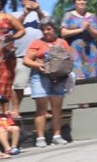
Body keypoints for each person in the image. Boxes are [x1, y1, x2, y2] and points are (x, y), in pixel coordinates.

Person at [23, 17, 71, 147]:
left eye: (48, 29)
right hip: (40, 76)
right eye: (43, 30)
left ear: (54, 29)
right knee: (41, 108)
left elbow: (69, 59)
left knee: (57, 108)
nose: (46, 32)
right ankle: (40, 137)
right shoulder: (37, 43)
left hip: (58, 77)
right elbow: (26, 60)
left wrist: (62, 73)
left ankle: (57, 135)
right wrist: (38, 65)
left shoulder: (62, 42)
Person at [11, 0, 46, 119]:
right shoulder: (14, 14)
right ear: (21, 1)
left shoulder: (43, 12)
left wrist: (38, 10)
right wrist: (25, 14)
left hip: (40, 56)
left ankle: (43, 111)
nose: (30, 0)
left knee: (42, 85)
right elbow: (13, 28)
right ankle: (15, 110)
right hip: (21, 54)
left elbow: (48, 25)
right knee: (19, 84)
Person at [0, 0, 25, 102]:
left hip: (5, 56)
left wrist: (12, 37)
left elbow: (21, 30)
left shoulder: (7, 17)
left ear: (1, 3)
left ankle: (5, 112)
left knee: (4, 85)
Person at [60, 0, 97, 78]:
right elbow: (63, 33)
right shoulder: (69, 15)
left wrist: (89, 28)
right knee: (77, 76)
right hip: (74, 49)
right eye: (79, 0)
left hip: (90, 49)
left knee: (92, 76)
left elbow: (96, 34)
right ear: (74, 3)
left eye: (84, 0)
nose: (82, 2)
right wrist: (80, 30)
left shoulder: (92, 16)